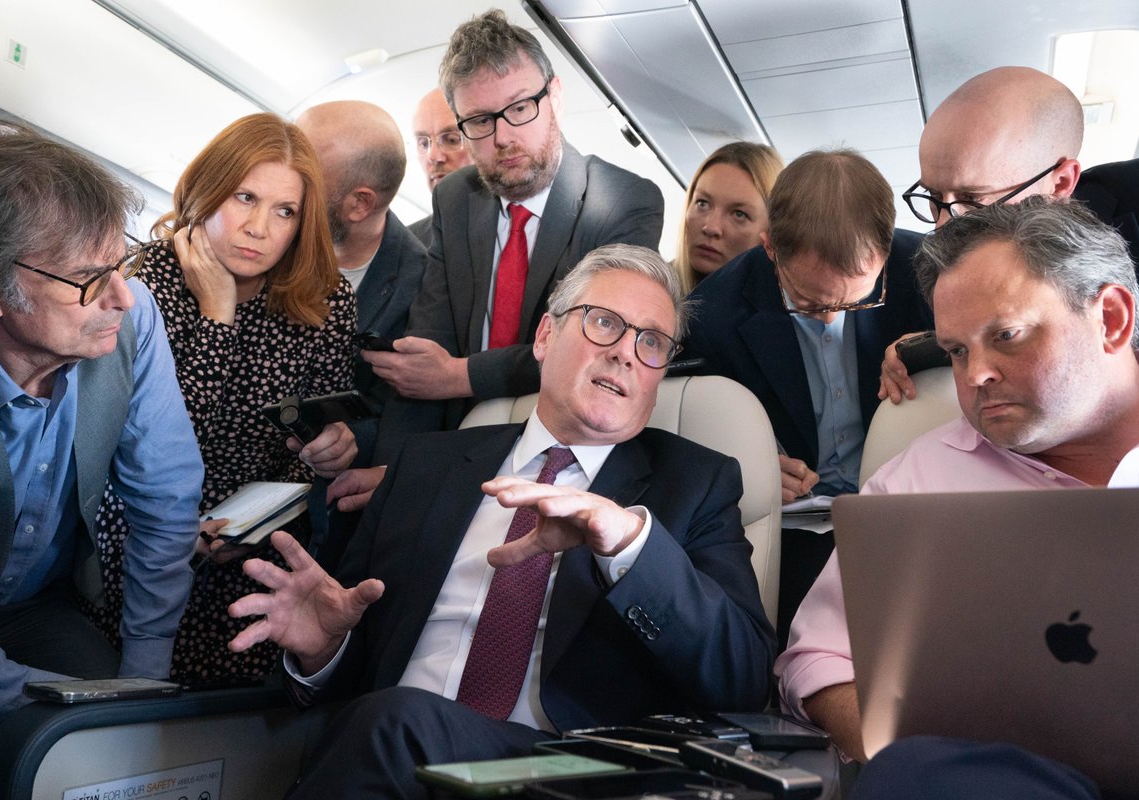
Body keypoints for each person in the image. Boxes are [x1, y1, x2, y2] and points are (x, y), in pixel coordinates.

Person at [228, 244, 776, 798]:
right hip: (396, 757)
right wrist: (324, 651)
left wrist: (630, 545)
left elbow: (744, 680)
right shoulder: (427, 465)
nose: (626, 354)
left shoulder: (695, 484)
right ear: (544, 336)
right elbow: (361, 674)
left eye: (652, 341)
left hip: (571, 770)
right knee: (388, 723)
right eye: (605, 323)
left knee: (396, 723)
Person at [775, 199, 1139, 793]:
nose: (975, 375)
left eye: (1006, 336)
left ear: (1110, 319)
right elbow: (818, 664)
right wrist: (938, 757)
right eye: (957, 351)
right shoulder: (913, 486)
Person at [89, 113, 358, 685]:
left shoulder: (325, 299)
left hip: (261, 528)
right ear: (208, 191)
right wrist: (217, 316)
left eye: (284, 211)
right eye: (244, 198)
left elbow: (308, 443)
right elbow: (158, 445)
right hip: (145, 524)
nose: (259, 228)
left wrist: (330, 449)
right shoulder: (146, 284)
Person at [0, 121, 202, 725]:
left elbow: (166, 494)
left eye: (121, 264)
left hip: (31, 606)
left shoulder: (133, 319)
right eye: (86, 279)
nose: (122, 298)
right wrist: (52, 702)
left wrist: (142, 676)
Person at [366, 8, 665, 468]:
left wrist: (460, 376)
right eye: (480, 121)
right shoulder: (455, 198)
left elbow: (593, 351)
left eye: (520, 108)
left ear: (556, 98)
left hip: (561, 446)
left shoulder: (624, 202)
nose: (503, 137)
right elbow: (425, 358)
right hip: (456, 443)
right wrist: (393, 473)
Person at [681, 149, 932, 637]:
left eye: (859, 299)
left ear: (887, 249)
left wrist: (937, 345)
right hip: (793, 529)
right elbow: (691, 439)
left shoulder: (934, 271)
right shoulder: (710, 317)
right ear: (770, 248)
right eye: (810, 303)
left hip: (912, 507)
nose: (833, 317)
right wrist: (744, 465)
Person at [882, 65, 1139, 404]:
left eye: (973, 200)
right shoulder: (944, 274)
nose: (942, 228)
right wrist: (928, 349)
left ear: (1060, 182)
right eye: (933, 198)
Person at [296, 100, 429, 461]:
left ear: (359, 204)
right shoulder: (266, 240)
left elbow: (399, 413)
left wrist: (349, 440)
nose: (285, 179)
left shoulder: (421, 291)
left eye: (305, 175)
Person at [673, 141, 783, 291]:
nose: (711, 228)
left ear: (771, 233)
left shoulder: (775, 312)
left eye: (739, 214)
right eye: (702, 203)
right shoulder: (648, 287)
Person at [407, 87, 474, 247]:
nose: (433, 157)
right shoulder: (407, 246)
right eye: (423, 143)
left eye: (451, 140)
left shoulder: (519, 228)